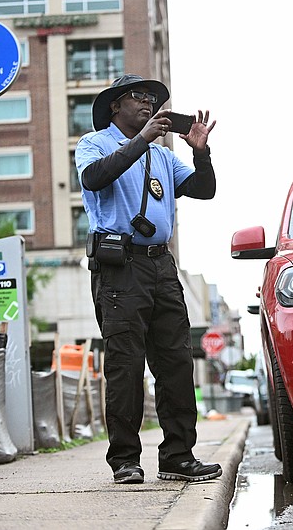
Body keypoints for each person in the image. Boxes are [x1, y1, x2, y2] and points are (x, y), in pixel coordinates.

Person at [75, 74, 222, 484]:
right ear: (114, 107)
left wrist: (201, 153)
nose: (147, 103)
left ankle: (178, 456)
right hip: (120, 266)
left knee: (175, 363)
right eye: (137, 97)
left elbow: (204, 189)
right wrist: (140, 140)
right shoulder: (94, 143)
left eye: (151, 99)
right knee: (125, 365)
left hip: (161, 265)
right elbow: (94, 178)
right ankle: (125, 459)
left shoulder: (162, 156)